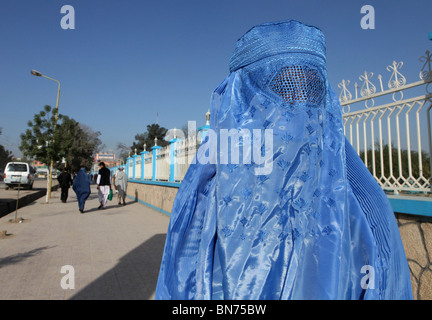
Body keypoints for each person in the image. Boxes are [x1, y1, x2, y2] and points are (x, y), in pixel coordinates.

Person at [155, 20, 413, 300]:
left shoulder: (365, 207)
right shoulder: (202, 197)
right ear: (238, 103)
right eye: (281, 92)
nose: (296, 113)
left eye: (309, 92)